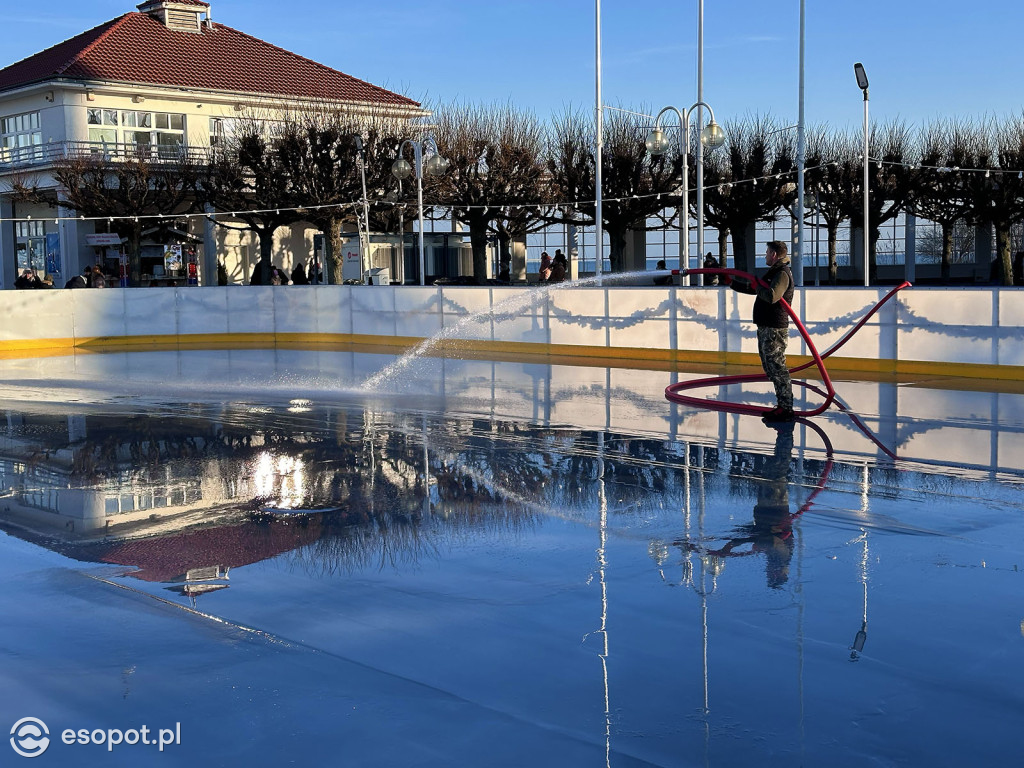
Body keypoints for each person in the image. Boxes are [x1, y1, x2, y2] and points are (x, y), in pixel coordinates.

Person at [725, 240, 795, 423]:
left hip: (774, 328)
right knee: (770, 367)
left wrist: (757, 286)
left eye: (766, 252)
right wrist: (732, 283)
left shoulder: (782, 273)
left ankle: (786, 409)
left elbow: (772, 296)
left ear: (773, 254)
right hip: (766, 326)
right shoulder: (774, 272)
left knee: (777, 368)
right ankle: (782, 406)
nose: (764, 255)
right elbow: (755, 290)